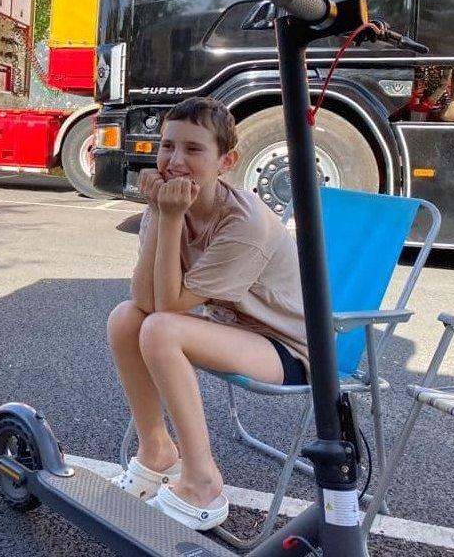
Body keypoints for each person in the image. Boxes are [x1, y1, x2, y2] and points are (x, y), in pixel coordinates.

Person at [106, 97, 309, 530]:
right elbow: (143, 300)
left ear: (227, 161)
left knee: (161, 329)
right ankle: (157, 450)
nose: (175, 161)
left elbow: (165, 309)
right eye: (167, 146)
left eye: (194, 149)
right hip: (228, 326)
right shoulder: (168, 200)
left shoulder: (244, 223)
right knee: (125, 318)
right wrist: (163, 214)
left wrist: (169, 215)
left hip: (286, 348)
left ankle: (203, 482)